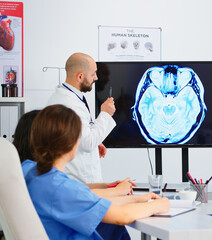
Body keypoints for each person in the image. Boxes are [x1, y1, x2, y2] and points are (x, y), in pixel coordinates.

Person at [23, 104, 170, 239]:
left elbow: (92, 200)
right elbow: (122, 216)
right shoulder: (60, 188)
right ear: (72, 143)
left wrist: (138, 199)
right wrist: (160, 204)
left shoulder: (34, 174)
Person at [12, 110, 134, 198]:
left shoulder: (28, 169)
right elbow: (72, 193)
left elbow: (72, 187)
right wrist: (117, 191)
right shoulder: (43, 178)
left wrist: (108, 186)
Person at [47, 52, 115, 183]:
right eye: (93, 74)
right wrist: (105, 114)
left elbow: (81, 135)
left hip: (78, 179)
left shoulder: (68, 97)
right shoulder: (70, 103)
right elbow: (87, 143)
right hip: (78, 180)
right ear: (80, 76)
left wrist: (96, 142)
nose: (96, 78)